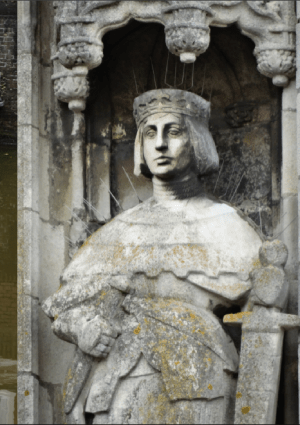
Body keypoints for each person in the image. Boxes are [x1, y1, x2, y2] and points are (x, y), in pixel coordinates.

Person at [42, 89, 264, 424]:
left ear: (197, 140)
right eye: (150, 133)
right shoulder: (121, 230)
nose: (160, 144)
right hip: (118, 381)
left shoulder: (229, 226)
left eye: (173, 132)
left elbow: (260, 314)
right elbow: (64, 308)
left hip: (199, 375)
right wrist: (84, 330)